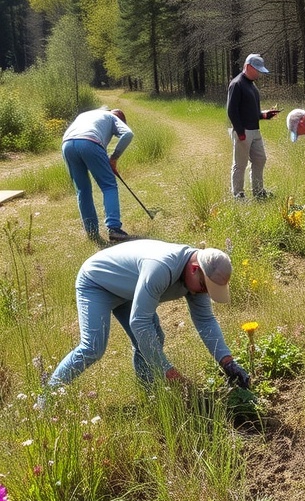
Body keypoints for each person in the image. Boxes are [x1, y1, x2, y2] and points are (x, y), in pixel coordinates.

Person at [39, 240, 250, 398]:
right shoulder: (161, 267)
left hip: (128, 289)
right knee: (92, 347)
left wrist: (227, 362)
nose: (204, 293)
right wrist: (169, 371)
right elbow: (139, 322)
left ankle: (149, 393)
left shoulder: (197, 279)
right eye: (205, 287)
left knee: (154, 337)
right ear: (195, 269)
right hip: (97, 283)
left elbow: (205, 320)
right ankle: (46, 397)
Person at [62, 108, 134, 245]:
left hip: (67, 144)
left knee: (82, 190)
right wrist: (114, 158)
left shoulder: (87, 114)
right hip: (89, 142)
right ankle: (114, 229)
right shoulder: (112, 117)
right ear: (119, 119)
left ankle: (92, 232)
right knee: (109, 186)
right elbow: (128, 134)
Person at [226, 54, 280, 199]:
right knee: (240, 164)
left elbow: (252, 112)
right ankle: (238, 195)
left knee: (260, 159)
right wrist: (240, 131)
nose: (259, 73)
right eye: (257, 70)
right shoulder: (237, 84)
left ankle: (258, 191)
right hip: (242, 131)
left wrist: (264, 115)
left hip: (255, 130)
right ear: (248, 67)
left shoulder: (252, 85)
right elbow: (232, 110)